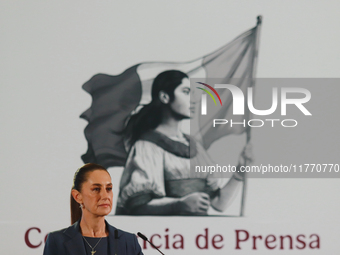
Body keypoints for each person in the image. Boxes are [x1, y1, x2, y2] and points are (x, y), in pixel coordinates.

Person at [116, 70, 251, 215]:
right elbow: (138, 206)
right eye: (186, 92)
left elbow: (218, 204)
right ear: (164, 97)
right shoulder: (147, 146)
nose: (193, 100)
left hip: (196, 234)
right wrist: (178, 205)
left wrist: (240, 171)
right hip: (164, 234)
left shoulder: (194, 146)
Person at [43, 163, 143, 255]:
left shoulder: (129, 242)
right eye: (96, 189)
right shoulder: (57, 241)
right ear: (77, 196)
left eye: (108, 189)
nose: (105, 196)